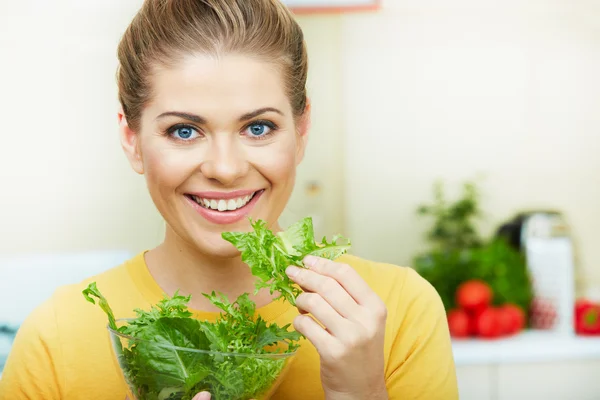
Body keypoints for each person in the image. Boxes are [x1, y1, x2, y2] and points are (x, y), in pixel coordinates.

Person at [0, 1, 458, 399]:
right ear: (132, 139)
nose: (225, 167)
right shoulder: (58, 337)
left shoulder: (396, 311)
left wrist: (360, 393)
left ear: (300, 132)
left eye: (258, 127)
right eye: (184, 130)